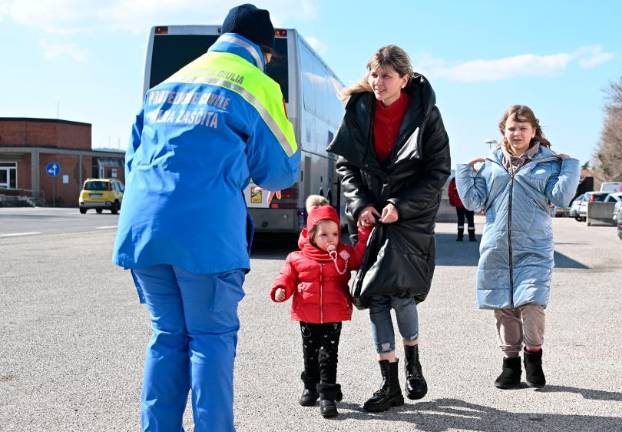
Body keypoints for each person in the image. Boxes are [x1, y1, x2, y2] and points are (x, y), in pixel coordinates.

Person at [112, 4, 299, 431]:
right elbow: (280, 171)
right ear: (264, 51)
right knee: (210, 341)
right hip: (206, 238)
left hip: (144, 232)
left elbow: (133, 159)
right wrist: (282, 120)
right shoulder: (257, 84)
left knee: (167, 338)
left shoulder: (166, 83)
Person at [327, 45, 451, 412]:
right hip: (370, 216)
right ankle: (390, 383)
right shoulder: (358, 109)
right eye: (373, 74)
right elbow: (346, 167)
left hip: (409, 217)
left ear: (404, 79)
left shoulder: (427, 115)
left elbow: (437, 172)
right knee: (374, 298)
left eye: (385, 76)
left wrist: (401, 205)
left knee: (400, 294)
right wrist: (360, 204)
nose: (377, 82)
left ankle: (413, 363)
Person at [455, 105, 578, 390]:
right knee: (505, 308)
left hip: (534, 247)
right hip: (497, 247)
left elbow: (561, 198)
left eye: (523, 128)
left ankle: (533, 356)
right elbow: (474, 203)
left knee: (532, 303)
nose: (517, 133)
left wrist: (570, 166)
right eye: (512, 128)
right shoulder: (491, 164)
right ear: (503, 131)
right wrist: (465, 171)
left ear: (534, 131)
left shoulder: (549, 163)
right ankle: (510, 365)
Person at [270, 205, 371, 418]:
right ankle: (310, 385)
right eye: (324, 234)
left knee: (328, 354)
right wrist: (281, 289)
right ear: (311, 235)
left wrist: (364, 234)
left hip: (333, 314)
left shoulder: (342, 255)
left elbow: (358, 257)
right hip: (307, 314)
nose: (331, 239)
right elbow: (286, 277)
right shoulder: (296, 257)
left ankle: (327, 394)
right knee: (310, 352)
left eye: (335, 233)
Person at [447, 177, 476, 241]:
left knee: (461, 220)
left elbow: (450, 191)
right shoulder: (471, 179)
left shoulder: (455, 180)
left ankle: (460, 237)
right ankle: (472, 237)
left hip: (460, 204)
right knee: (470, 220)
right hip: (469, 204)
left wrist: (452, 201)